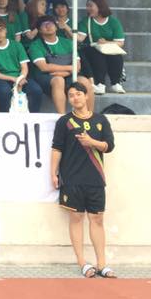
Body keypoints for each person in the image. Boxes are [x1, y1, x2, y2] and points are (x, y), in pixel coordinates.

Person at [50, 81, 117, 279]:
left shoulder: (101, 120)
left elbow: (109, 146)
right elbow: (57, 148)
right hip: (72, 178)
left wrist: (91, 142)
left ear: (87, 96)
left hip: (95, 178)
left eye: (78, 94)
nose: (75, 98)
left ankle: (102, 263)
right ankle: (82, 262)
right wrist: (53, 173)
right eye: (71, 95)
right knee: (76, 217)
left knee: (97, 219)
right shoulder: (65, 122)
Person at [0, 17, 43, 112]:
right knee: (4, 92)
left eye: (1, 30)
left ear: (6, 30)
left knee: (36, 90)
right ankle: (4, 117)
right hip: (2, 79)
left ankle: (33, 116)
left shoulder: (17, 45)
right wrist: (14, 79)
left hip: (20, 76)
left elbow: (24, 67)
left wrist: (20, 78)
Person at [28, 16, 83, 114]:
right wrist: (69, 68)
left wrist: (64, 73)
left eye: (51, 23)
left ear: (56, 27)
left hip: (68, 75)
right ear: (39, 30)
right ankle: (61, 116)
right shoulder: (36, 45)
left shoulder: (68, 43)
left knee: (84, 81)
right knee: (58, 80)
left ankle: (88, 116)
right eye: (44, 25)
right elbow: (44, 67)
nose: (48, 26)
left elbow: (77, 67)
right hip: (45, 77)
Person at [78, 0, 126, 95]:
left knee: (116, 55)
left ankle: (116, 83)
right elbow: (80, 38)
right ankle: (100, 84)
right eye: (87, 6)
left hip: (108, 47)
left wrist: (106, 42)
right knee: (97, 55)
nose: (88, 8)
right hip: (92, 48)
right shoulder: (86, 21)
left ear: (99, 6)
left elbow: (120, 43)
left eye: (90, 6)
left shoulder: (113, 21)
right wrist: (67, 29)